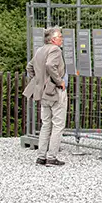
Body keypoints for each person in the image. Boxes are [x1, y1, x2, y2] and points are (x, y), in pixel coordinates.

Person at [23, 26, 68, 166]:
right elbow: (50, 65)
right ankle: (52, 157)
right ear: (54, 39)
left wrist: (39, 80)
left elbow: (29, 67)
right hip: (54, 91)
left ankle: (41, 156)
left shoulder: (40, 50)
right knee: (58, 125)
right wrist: (59, 81)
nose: (62, 39)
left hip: (42, 92)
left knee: (46, 124)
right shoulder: (55, 50)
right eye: (60, 37)